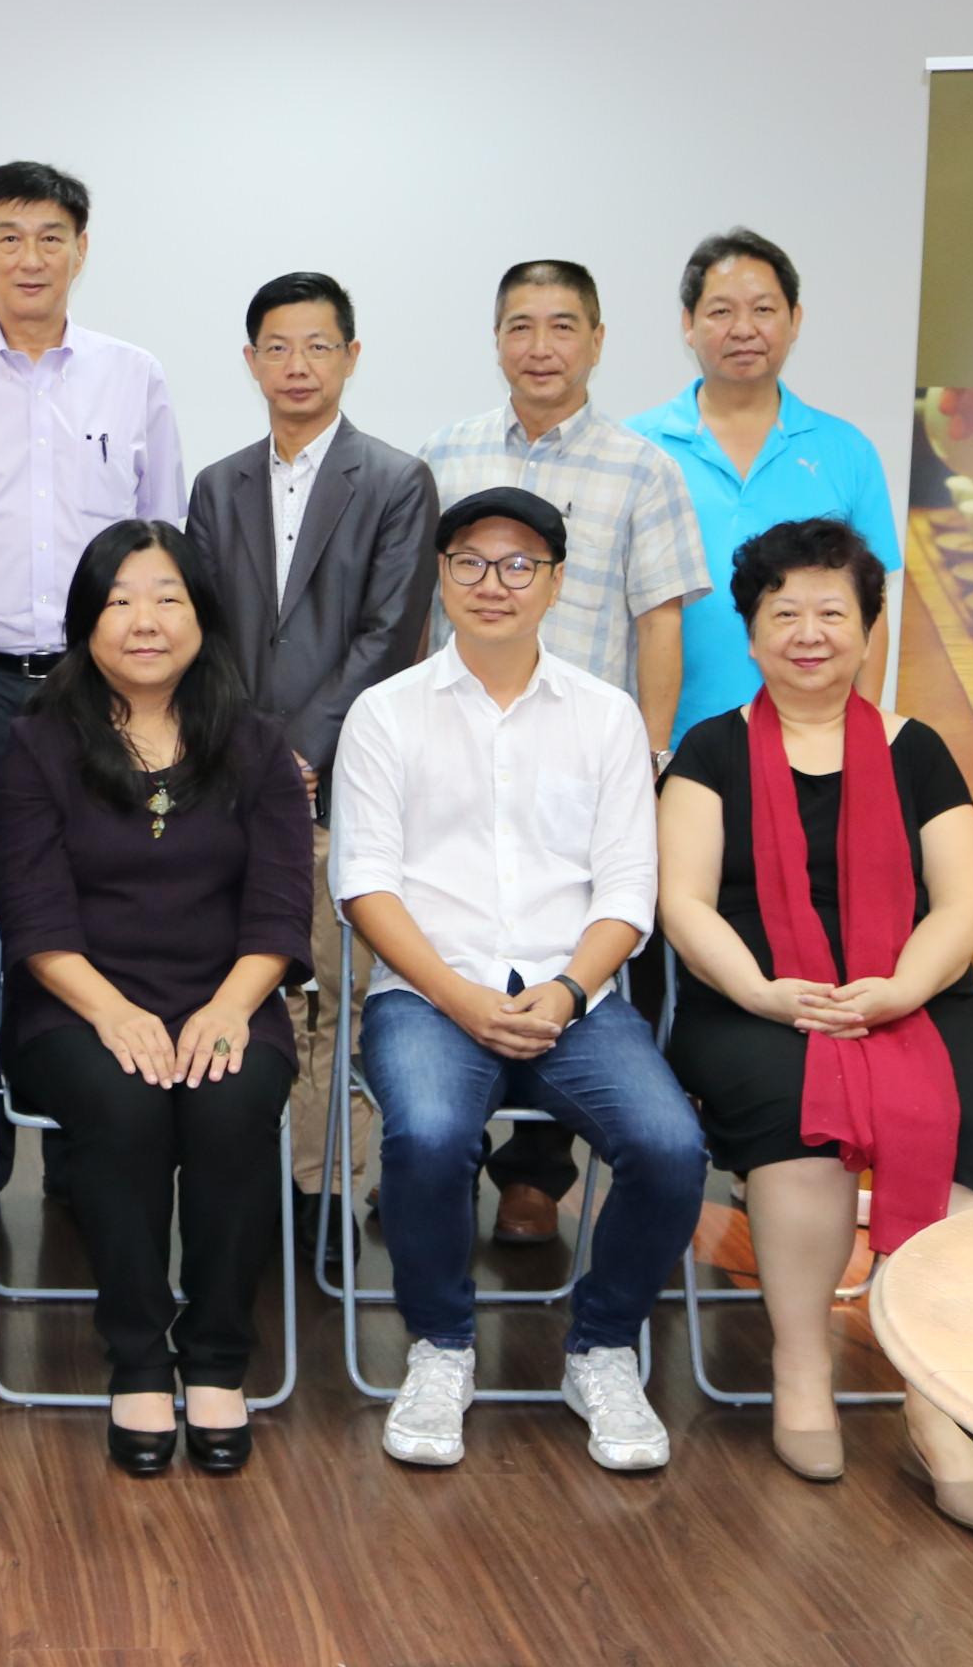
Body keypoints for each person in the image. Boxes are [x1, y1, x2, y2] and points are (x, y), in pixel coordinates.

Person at [332, 487, 703, 1477]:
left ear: (556, 583)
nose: (494, 584)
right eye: (472, 563)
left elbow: (631, 884)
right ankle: (441, 1346)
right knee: (427, 1132)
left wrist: (571, 990)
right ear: (443, 578)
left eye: (519, 565)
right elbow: (364, 882)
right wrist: (459, 997)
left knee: (670, 1146)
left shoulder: (606, 715)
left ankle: (604, 1349)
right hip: (429, 997)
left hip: (573, 995)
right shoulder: (385, 713)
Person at [657, 516, 973, 1533]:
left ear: (868, 626)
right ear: (752, 628)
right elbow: (682, 903)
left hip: (916, 996)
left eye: (832, 612)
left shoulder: (920, 750)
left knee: (960, 1105)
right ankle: (802, 1368)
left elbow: (964, 905)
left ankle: (936, 1400)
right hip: (758, 1004)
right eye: (785, 613)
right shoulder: (710, 749)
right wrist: (767, 991)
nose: (808, 633)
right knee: (793, 1119)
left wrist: (901, 987)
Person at [0, 160, 183, 1193]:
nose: (30, 257)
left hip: (99, 688)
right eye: (8, 236)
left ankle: (80, 1165)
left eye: (51, 236)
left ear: (82, 250)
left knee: (92, 906)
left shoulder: (133, 376)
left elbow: (158, 544)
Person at [0, 520, 312, 1476]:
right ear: (86, 622)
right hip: (77, 1000)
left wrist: (226, 1011)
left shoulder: (256, 748)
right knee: (123, 1104)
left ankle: (215, 1358)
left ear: (202, 617)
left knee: (231, 1102)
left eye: (168, 597)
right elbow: (36, 918)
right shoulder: (35, 745)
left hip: (229, 993)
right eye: (120, 599)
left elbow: (280, 909)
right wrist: (114, 1013)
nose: (145, 620)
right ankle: (136, 1358)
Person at [417, 260, 709, 1244]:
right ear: (496, 338)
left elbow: (658, 620)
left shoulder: (641, 467)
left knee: (565, 943)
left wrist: (652, 751)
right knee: (458, 927)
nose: (540, 346)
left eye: (561, 326)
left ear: (597, 338)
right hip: (457, 746)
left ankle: (533, 1178)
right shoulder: (446, 451)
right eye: (520, 326)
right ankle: (429, 1169)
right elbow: (424, 612)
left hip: (583, 766)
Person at [183, 272, 435, 1254]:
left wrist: (300, 752)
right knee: (249, 985)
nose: (298, 365)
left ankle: (325, 1189)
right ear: (250, 361)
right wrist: (249, 753)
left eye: (319, 345)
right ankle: (247, 1182)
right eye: (277, 347)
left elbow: (389, 634)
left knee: (336, 989)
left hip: (345, 779)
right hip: (230, 784)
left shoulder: (397, 479)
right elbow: (200, 637)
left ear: (352, 357)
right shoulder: (217, 485)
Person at [629, 229, 904, 745]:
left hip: (812, 748)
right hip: (668, 743)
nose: (743, 329)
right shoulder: (636, 448)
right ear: (688, 325)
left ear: (795, 320)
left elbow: (874, 610)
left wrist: (858, 742)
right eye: (720, 312)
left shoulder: (846, 450)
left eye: (763, 310)